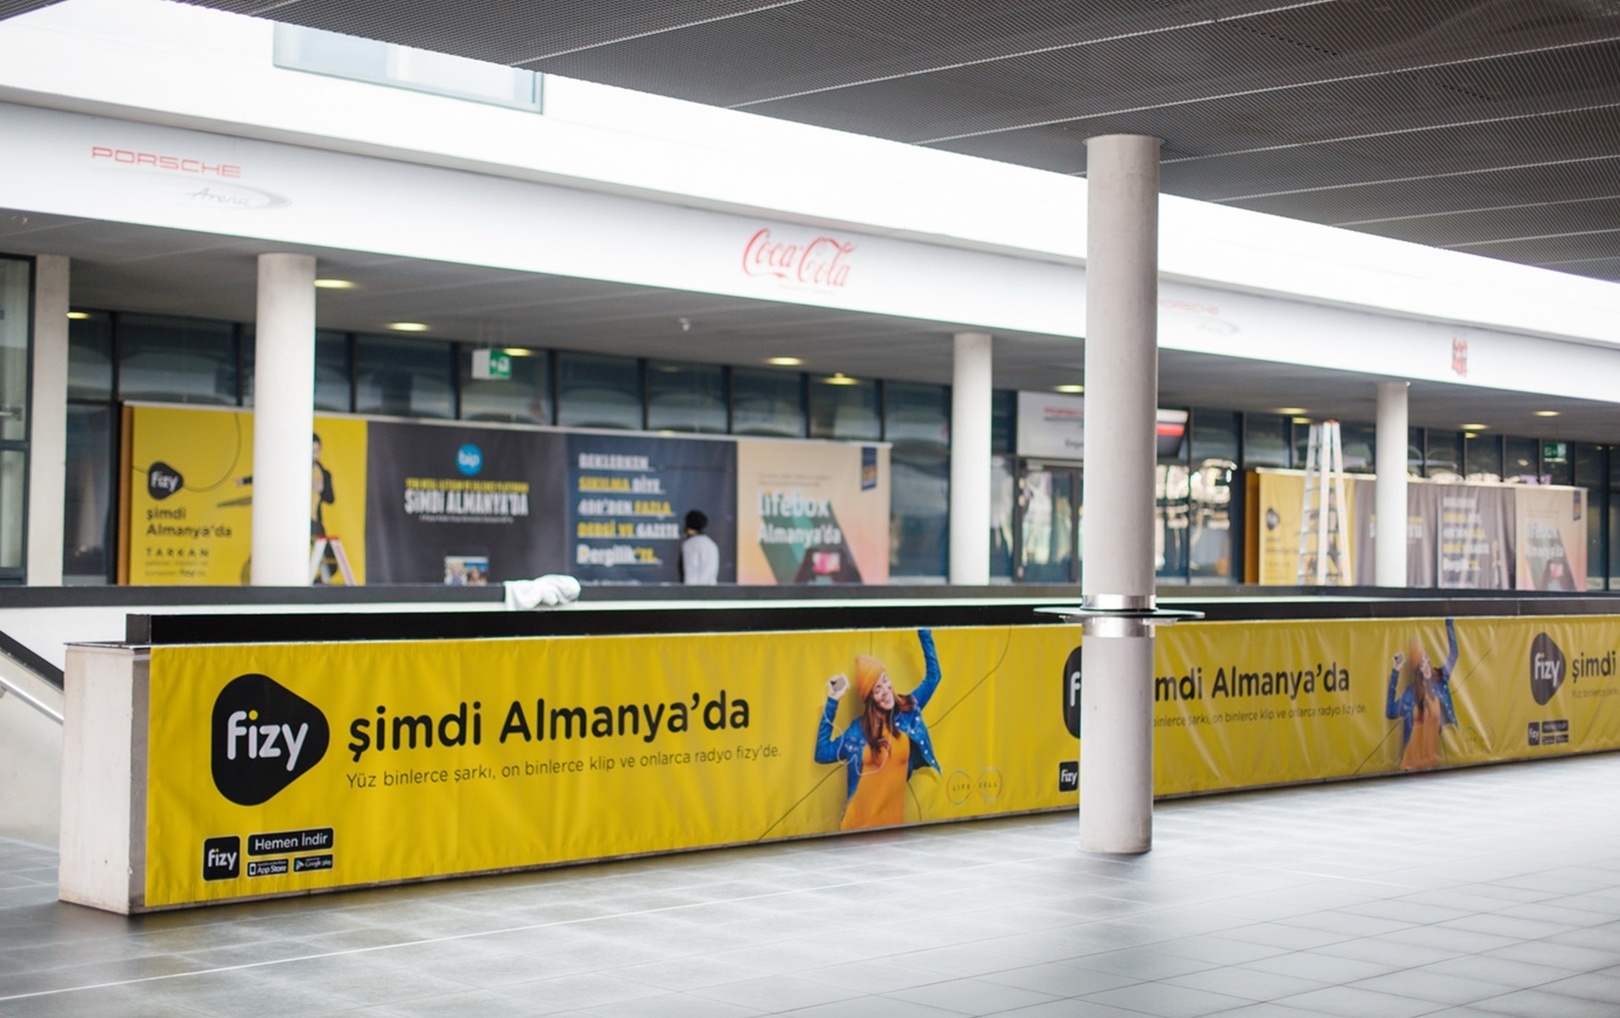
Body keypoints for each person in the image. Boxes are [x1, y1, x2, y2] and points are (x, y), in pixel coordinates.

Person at [815, 629, 941, 830]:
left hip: (892, 826)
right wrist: (833, 701)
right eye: (877, 689)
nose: (885, 690)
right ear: (870, 699)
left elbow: (934, 677)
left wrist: (923, 630)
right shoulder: (858, 731)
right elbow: (821, 753)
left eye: (885, 680)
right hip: (855, 827)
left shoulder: (907, 711)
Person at [1386, 618, 1458, 771]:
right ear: (1417, 669)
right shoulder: (1411, 695)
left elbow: (1454, 654)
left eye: (1426, 658)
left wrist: (1449, 621)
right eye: (1421, 663)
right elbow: (1390, 711)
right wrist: (1395, 671)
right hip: (1411, 766)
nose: (1426, 665)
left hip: (1432, 765)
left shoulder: (1440, 680)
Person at [680, 509, 718, 585]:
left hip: (695, 589)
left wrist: (687, 590)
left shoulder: (690, 544)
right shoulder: (711, 543)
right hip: (711, 588)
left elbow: (690, 571)